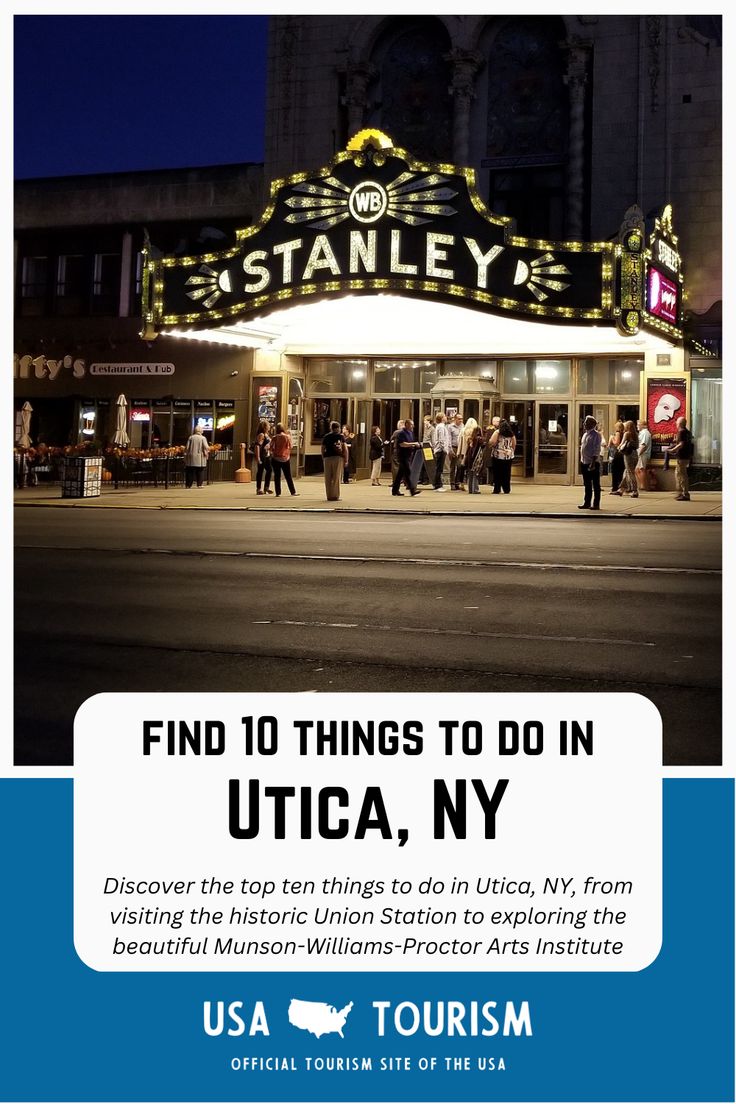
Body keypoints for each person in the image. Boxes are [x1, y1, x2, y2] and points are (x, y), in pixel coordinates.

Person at [664, 415, 694, 500]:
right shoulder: (687, 432)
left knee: (682, 475)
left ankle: (685, 494)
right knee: (679, 474)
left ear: (680, 424)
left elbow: (681, 444)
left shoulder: (681, 432)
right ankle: (680, 492)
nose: (676, 424)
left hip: (682, 457)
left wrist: (672, 450)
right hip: (686, 456)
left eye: (677, 422)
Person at [391, 418, 422, 497]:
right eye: (411, 424)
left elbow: (410, 443)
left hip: (408, 455)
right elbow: (402, 444)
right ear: (407, 425)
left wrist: (414, 446)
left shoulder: (410, 433)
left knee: (400, 474)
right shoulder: (401, 433)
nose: (413, 426)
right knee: (408, 472)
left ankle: (394, 490)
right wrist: (413, 444)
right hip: (402, 455)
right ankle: (412, 490)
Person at [578, 415, 602, 510]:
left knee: (595, 484)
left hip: (592, 463)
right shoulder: (585, 435)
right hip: (584, 462)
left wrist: (593, 462)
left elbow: (596, 449)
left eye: (586, 422)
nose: (584, 424)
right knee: (587, 484)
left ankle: (596, 504)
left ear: (591, 424)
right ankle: (587, 502)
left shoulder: (596, 435)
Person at [610, 420, 639, 498]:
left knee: (630, 472)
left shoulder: (627, 434)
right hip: (635, 454)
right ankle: (621, 489)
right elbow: (637, 445)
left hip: (628, 454)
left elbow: (621, 444)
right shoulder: (635, 434)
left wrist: (618, 447)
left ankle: (635, 490)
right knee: (626, 472)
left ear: (628, 427)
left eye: (625, 425)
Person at [488, 418, 516, 494]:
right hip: (508, 456)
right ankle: (507, 489)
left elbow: (492, 442)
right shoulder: (511, 433)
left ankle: (497, 489)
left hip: (498, 455)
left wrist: (490, 444)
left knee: (497, 472)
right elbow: (514, 444)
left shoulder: (497, 432)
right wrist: (511, 450)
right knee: (507, 473)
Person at [270, 423, 299, 497]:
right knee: (288, 476)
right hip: (285, 458)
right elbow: (291, 446)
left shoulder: (274, 437)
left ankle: (278, 492)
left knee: (277, 476)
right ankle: (293, 491)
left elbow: (271, 448)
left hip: (276, 458)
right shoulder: (287, 437)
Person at [322, 420, 346, 501]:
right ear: (338, 428)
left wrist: (323, 457)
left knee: (328, 477)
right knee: (336, 477)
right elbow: (344, 448)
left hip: (327, 458)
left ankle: (329, 495)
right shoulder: (340, 437)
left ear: (331, 428)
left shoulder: (326, 437)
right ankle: (335, 495)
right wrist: (345, 459)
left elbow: (323, 448)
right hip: (337, 457)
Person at [429, 412, 452, 491]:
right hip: (441, 450)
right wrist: (444, 448)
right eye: (444, 416)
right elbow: (441, 439)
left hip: (439, 449)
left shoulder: (439, 426)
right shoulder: (441, 427)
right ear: (442, 418)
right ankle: (438, 485)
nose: (446, 417)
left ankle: (438, 484)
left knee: (438, 467)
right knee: (439, 468)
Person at [254, 419, 273, 495]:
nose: (269, 426)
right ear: (265, 427)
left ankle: (266, 487)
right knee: (260, 471)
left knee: (269, 470)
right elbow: (257, 446)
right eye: (268, 425)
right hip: (262, 456)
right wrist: (258, 457)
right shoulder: (261, 435)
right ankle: (258, 488)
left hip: (267, 455)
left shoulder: (266, 435)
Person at [465, 426, 484, 494]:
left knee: (470, 474)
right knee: (476, 474)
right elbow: (483, 445)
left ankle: (470, 489)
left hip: (469, 458)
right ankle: (475, 489)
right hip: (476, 458)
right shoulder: (479, 439)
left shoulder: (470, 439)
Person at [607, 420, 624, 493]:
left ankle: (615, 487)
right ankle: (619, 486)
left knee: (615, 470)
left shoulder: (617, 433)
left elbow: (616, 443)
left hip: (617, 453)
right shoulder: (624, 433)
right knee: (620, 471)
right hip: (622, 454)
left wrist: (611, 438)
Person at [448, 413, 464, 489]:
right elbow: (449, 438)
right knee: (453, 466)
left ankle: (457, 482)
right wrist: (450, 450)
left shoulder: (463, 426)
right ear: (455, 419)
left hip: (460, 448)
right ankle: (452, 483)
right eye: (459, 419)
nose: (460, 420)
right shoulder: (450, 427)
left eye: (461, 419)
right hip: (453, 447)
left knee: (460, 465)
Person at [636, 419, 653, 491]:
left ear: (643, 425)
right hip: (641, 453)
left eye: (638, 425)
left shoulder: (645, 433)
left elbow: (644, 445)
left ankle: (643, 486)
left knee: (641, 469)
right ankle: (641, 485)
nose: (637, 426)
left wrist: (638, 454)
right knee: (637, 470)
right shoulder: (642, 433)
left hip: (643, 454)